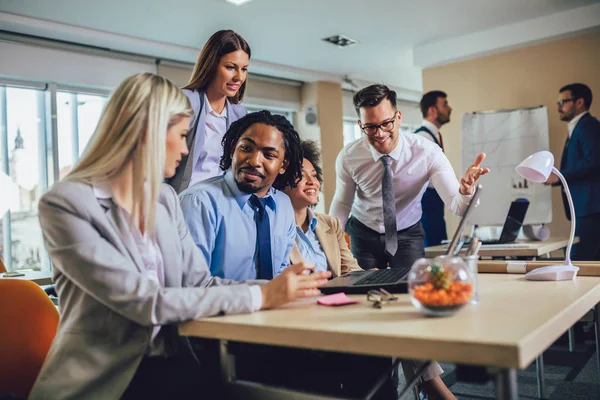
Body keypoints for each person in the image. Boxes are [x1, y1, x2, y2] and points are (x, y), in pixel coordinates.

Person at [28, 73, 330, 400]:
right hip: (107, 382)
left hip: (174, 368)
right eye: (183, 135)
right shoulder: (65, 203)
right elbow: (145, 302)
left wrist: (282, 291)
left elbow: (200, 284)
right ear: (150, 133)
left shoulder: (165, 200)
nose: (186, 149)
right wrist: (262, 297)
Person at [276, 140, 453, 399]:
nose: (312, 181)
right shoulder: (275, 229)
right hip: (308, 318)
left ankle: (430, 386)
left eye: (314, 175)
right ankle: (433, 388)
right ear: (282, 182)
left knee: (400, 316)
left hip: (341, 309)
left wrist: (381, 278)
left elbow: (352, 271)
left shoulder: (329, 225)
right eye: (301, 176)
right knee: (391, 329)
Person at [330, 84, 489, 272]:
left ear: (398, 117)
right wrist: (330, 241)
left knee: (412, 287)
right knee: (362, 290)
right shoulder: (349, 156)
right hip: (363, 232)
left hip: (407, 232)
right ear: (360, 125)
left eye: (386, 123)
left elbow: (458, 206)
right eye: (370, 127)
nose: (379, 134)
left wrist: (465, 192)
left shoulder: (427, 153)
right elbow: (342, 203)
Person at [179, 110, 303, 281]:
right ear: (232, 150)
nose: (254, 161)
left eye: (269, 155)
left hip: (275, 307)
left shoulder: (283, 205)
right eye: (246, 148)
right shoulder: (198, 203)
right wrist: (263, 293)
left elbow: (279, 273)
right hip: (219, 308)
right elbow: (191, 285)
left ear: (283, 165)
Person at [168, 29, 250, 193]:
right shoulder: (185, 101)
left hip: (220, 204)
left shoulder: (240, 115)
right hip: (182, 201)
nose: (239, 77)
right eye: (230, 67)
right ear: (211, 65)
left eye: (244, 69)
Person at [545, 83, 600, 260]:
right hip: (584, 209)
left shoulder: (589, 126)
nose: (558, 107)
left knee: (581, 260)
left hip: (591, 208)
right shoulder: (578, 128)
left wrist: (559, 176)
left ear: (579, 102)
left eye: (563, 102)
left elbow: (594, 162)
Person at [416, 90, 453, 247]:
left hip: (436, 210)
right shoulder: (422, 139)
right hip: (426, 211)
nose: (449, 108)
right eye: (444, 104)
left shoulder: (434, 136)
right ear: (432, 110)